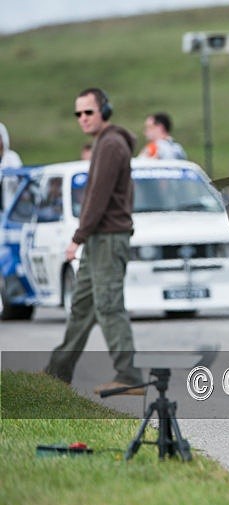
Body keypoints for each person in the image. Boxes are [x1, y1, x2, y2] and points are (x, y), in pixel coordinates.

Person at [45, 87, 144, 395]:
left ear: (105, 111)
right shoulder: (104, 143)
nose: (83, 118)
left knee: (108, 306)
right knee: (83, 308)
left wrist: (77, 238)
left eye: (89, 111)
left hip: (108, 239)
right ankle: (56, 373)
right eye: (78, 113)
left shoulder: (111, 144)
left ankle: (128, 376)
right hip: (100, 239)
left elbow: (98, 198)